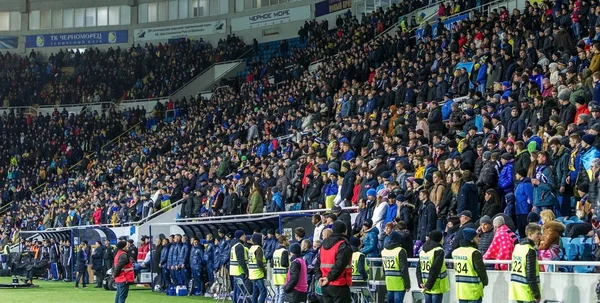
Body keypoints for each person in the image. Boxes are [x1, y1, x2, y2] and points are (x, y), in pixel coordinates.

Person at [315, 221, 353, 303]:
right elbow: (339, 265)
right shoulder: (343, 245)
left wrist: (319, 277)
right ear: (345, 231)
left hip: (325, 285)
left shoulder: (323, 244)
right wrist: (329, 278)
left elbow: (317, 263)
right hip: (339, 284)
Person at [452, 228, 488, 303]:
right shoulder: (474, 252)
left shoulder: (455, 252)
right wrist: (485, 282)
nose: (479, 239)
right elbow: (481, 270)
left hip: (461, 291)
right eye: (477, 237)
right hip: (473, 290)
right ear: (471, 240)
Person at [509, 223, 542, 303]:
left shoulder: (517, 247)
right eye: (537, 234)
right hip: (527, 291)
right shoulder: (530, 250)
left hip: (517, 289)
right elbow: (531, 274)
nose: (540, 236)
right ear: (530, 234)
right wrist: (536, 294)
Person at [417, 230, 449, 303]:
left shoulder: (422, 251)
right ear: (439, 239)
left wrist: (420, 282)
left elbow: (418, 268)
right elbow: (435, 269)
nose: (443, 239)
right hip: (436, 285)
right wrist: (429, 285)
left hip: (425, 284)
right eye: (442, 238)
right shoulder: (439, 250)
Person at [381, 231, 411, 303]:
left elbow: (383, 268)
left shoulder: (384, 251)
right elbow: (404, 269)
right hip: (399, 283)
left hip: (389, 282)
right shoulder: (400, 251)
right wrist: (407, 284)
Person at [230, 230, 249, 303]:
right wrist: (246, 271)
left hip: (234, 271)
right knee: (240, 291)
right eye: (244, 235)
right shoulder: (239, 246)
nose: (245, 237)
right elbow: (241, 260)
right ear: (240, 236)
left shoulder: (234, 245)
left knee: (236, 290)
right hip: (239, 271)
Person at [249, 233, 267, 303]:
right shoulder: (258, 249)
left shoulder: (251, 248)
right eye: (262, 238)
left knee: (255, 292)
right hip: (258, 273)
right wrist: (264, 270)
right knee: (263, 292)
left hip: (252, 273)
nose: (263, 240)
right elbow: (259, 262)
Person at [272, 236, 290, 303]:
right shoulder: (284, 251)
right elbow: (284, 264)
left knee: (277, 294)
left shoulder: (275, 251)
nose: (288, 241)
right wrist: (289, 264)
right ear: (284, 241)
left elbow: (271, 264)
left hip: (276, 276)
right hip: (282, 276)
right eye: (287, 240)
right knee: (282, 294)